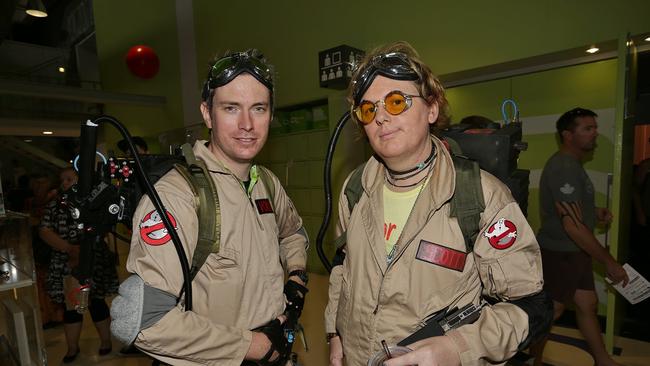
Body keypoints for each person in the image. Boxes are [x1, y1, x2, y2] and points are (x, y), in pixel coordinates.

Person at [324, 41, 551, 366]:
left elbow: (532, 306)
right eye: (369, 109)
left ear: (432, 109)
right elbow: (342, 264)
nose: (382, 118)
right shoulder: (356, 188)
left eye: (397, 101)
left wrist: (457, 348)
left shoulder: (482, 197)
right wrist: (336, 333)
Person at [113, 49, 309, 365]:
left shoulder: (267, 183)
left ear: (271, 115)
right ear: (207, 113)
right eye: (231, 108)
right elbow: (143, 321)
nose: (247, 124)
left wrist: (297, 276)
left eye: (258, 108)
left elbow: (293, 232)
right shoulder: (179, 195)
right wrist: (255, 346)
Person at [531, 107, 629, 366]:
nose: (595, 133)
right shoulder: (564, 167)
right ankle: (532, 360)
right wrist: (608, 261)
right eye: (587, 128)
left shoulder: (571, 165)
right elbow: (572, 226)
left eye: (594, 128)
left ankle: (602, 360)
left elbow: (567, 209)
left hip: (574, 251)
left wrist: (593, 212)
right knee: (554, 310)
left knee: (587, 304)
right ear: (568, 135)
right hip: (561, 251)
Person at [39, 167, 119, 363]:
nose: (64, 183)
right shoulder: (55, 205)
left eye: (69, 179)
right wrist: (67, 247)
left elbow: (103, 226)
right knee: (71, 306)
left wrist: (85, 248)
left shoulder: (94, 203)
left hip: (93, 259)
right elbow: (44, 230)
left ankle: (106, 341)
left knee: (97, 303)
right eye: (62, 180)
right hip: (66, 263)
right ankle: (72, 347)